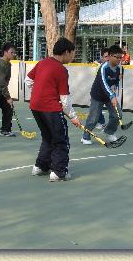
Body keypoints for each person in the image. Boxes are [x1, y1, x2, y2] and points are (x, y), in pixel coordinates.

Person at [25, 37, 81, 182]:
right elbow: (65, 98)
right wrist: (73, 117)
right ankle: (58, 172)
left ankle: (40, 167)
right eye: (73, 53)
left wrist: (40, 92)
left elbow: (28, 80)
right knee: (61, 140)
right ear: (66, 52)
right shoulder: (61, 70)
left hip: (35, 107)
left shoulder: (42, 63)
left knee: (48, 137)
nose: (73, 56)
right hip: (51, 109)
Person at [81, 45, 123, 145]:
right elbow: (103, 83)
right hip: (98, 96)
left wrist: (114, 94)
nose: (118, 59)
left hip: (110, 96)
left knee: (118, 115)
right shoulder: (104, 67)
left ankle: (108, 132)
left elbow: (115, 82)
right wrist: (111, 96)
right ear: (110, 56)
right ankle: (85, 137)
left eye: (120, 57)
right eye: (116, 57)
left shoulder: (119, 68)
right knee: (94, 118)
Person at [93, 47, 110, 130]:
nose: (108, 59)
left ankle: (103, 122)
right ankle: (99, 122)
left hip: (108, 91)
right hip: (99, 91)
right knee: (97, 109)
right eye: (106, 57)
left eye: (109, 56)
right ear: (102, 58)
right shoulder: (100, 67)